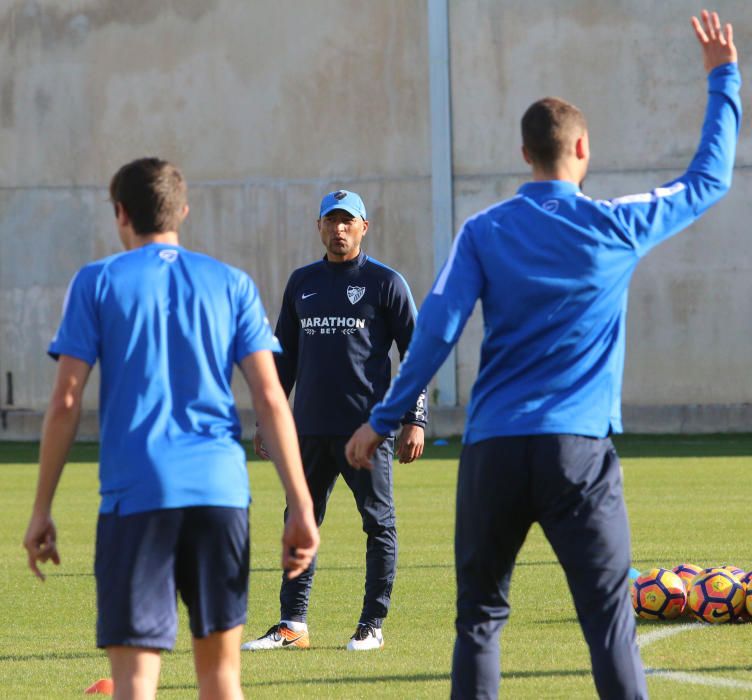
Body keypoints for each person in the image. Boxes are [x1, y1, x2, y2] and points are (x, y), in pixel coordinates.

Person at [346, 10, 740, 698]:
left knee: (479, 620)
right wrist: (723, 78)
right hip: (576, 454)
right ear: (581, 149)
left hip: (494, 449)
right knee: (610, 622)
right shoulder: (615, 226)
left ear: (525, 153)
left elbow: (436, 329)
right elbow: (708, 181)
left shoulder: (484, 230)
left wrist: (381, 420)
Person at [22, 158, 319, 700]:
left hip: (136, 499)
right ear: (181, 210)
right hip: (220, 495)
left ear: (120, 213)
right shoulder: (231, 283)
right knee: (222, 680)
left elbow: (66, 401)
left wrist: (42, 508)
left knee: (134, 684)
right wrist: (300, 505)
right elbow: (271, 396)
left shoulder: (98, 281)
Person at [243, 190, 427, 652]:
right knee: (299, 521)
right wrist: (269, 418)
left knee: (377, 525)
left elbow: (417, 354)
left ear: (365, 227)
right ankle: (292, 625)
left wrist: (414, 419)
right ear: (319, 226)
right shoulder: (301, 283)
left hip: (366, 431)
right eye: (332, 221)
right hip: (306, 430)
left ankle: (371, 625)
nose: (339, 229)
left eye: (348, 221)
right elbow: (281, 360)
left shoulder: (386, 283)